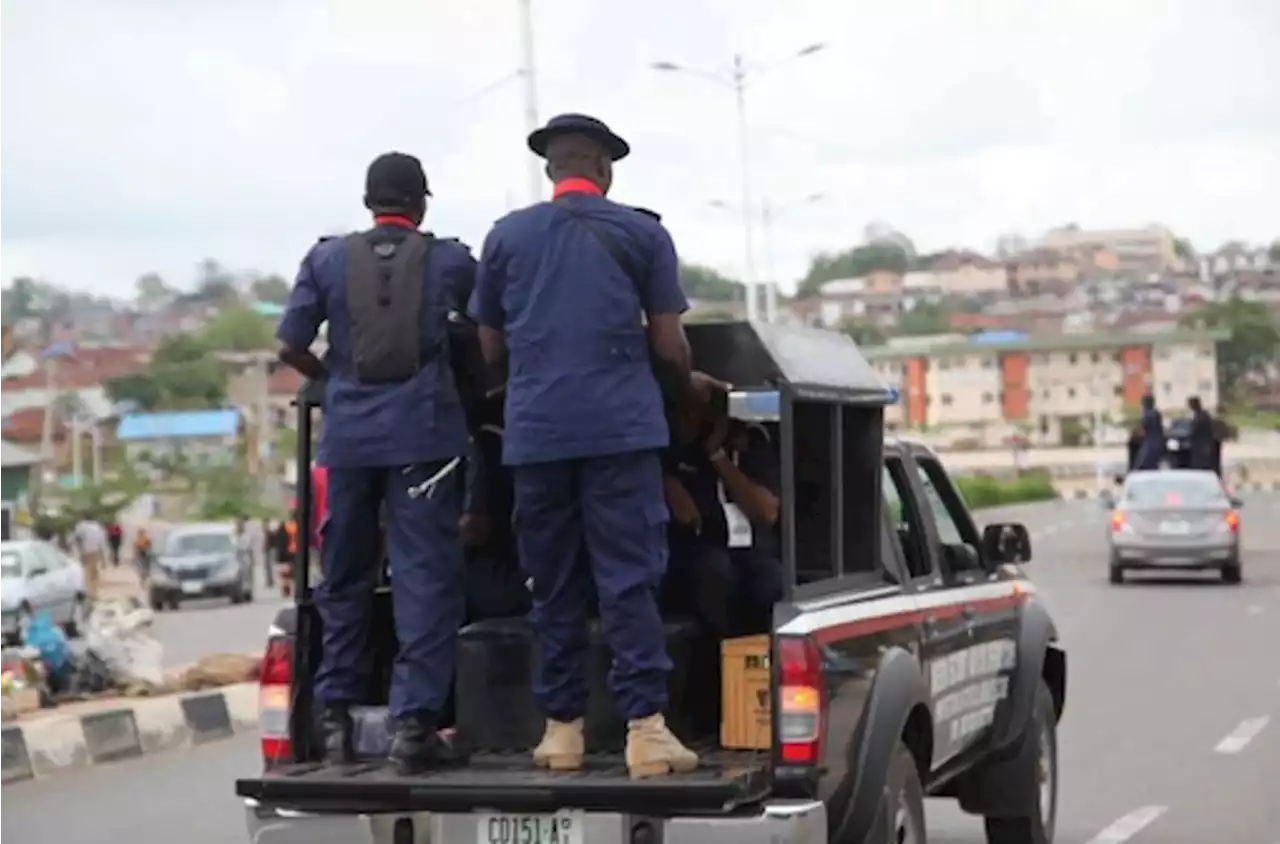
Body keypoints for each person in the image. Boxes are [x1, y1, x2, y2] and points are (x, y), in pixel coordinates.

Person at [469, 113, 713, 778]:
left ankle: (562, 733)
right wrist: (677, 388)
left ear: (552, 169)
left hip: (537, 434)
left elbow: (488, 346)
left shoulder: (506, 237)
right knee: (627, 581)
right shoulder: (642, 234)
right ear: (604, 170)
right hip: (619, 432)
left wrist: (528, 388)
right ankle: (645, 733)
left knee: (552, 584)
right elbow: (669, 343)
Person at [277, 151, 475, 774]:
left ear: (368, 202)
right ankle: (414, 727)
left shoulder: (326, 258)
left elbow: (289, 343)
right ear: (422, 204)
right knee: (424, 578)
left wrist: (331, 381)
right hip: (424, 439)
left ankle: (335, 720)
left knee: (344, 576)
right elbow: (488, 335)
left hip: (348, 442)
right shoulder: (450, 261)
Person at [662, 395, 782, 734]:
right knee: (714, 576)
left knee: (770, 583)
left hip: (751, 552)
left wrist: (718, 457)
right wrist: (671, 483)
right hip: (698, 552)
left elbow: (766, 511)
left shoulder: (751, 443)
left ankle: (757, 699)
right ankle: (715, 700)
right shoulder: (671, 449)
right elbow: (682, 512)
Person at [73, 517, 107, 601]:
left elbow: (77, 538)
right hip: (95, 552)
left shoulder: (80, 525)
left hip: (86, 552)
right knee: (94, 573)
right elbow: (102, 543)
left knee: (86, 573)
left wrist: (80, 551)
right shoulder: (99, 527)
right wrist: (103, 559)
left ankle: (90, 594)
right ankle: (94, 593)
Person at [1133, 395, 1165, 471]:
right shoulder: (1157, 413)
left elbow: (1144, 430)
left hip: (1150, 442)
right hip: (1158, 441)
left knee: (1143, 462)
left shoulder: (1146, 415)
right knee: (1154, 462)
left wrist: (1136, 434)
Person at [1187, 397, 1216, 473]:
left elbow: (1196, 429)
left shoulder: (1201, 416)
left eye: (1190, 404)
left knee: (1202, 465)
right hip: (1202, 444)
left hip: (1202, 444)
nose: (1189, 406)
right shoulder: (1201, 414)